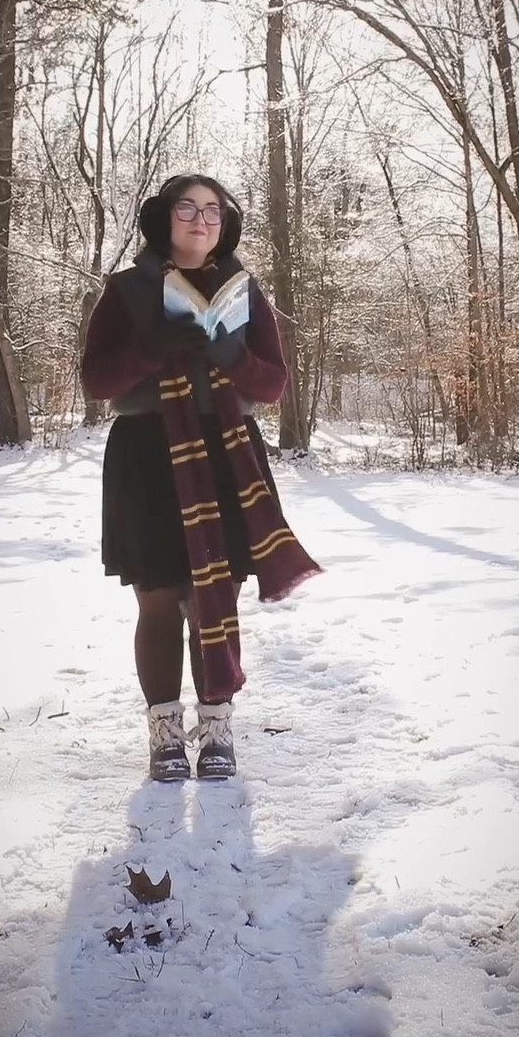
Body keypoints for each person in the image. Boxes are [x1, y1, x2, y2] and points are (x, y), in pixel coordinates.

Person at [81, 174, 320, 782]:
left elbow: (271, 385)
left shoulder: (244, 291)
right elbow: (97, 381)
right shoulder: (127, 291)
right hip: (146, 456)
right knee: (159, 599)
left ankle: (216, 728)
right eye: (187, 206)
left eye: (212, 209)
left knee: (213, 597)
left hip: (226, 453)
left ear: (224, 223)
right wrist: (151, 350)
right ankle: (164, 734)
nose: (200, 217)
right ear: (164, 217)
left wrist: (229, 356)